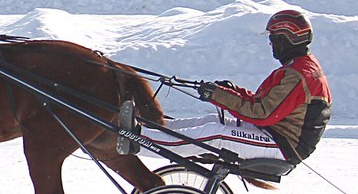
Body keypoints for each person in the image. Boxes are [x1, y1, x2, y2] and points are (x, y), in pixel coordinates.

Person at [141, 9, 332, 166]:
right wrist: (231, 91)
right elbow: (264, 103)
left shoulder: (297, 74)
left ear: (285, 39)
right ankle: (152, 127)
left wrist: (217, 95)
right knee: (211, 120)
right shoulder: (299, 67)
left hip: (282, 145)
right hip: (276, 134)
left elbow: (262, 113)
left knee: (215, 133)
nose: (271, 44)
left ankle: (139, 138)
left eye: (273, 38)